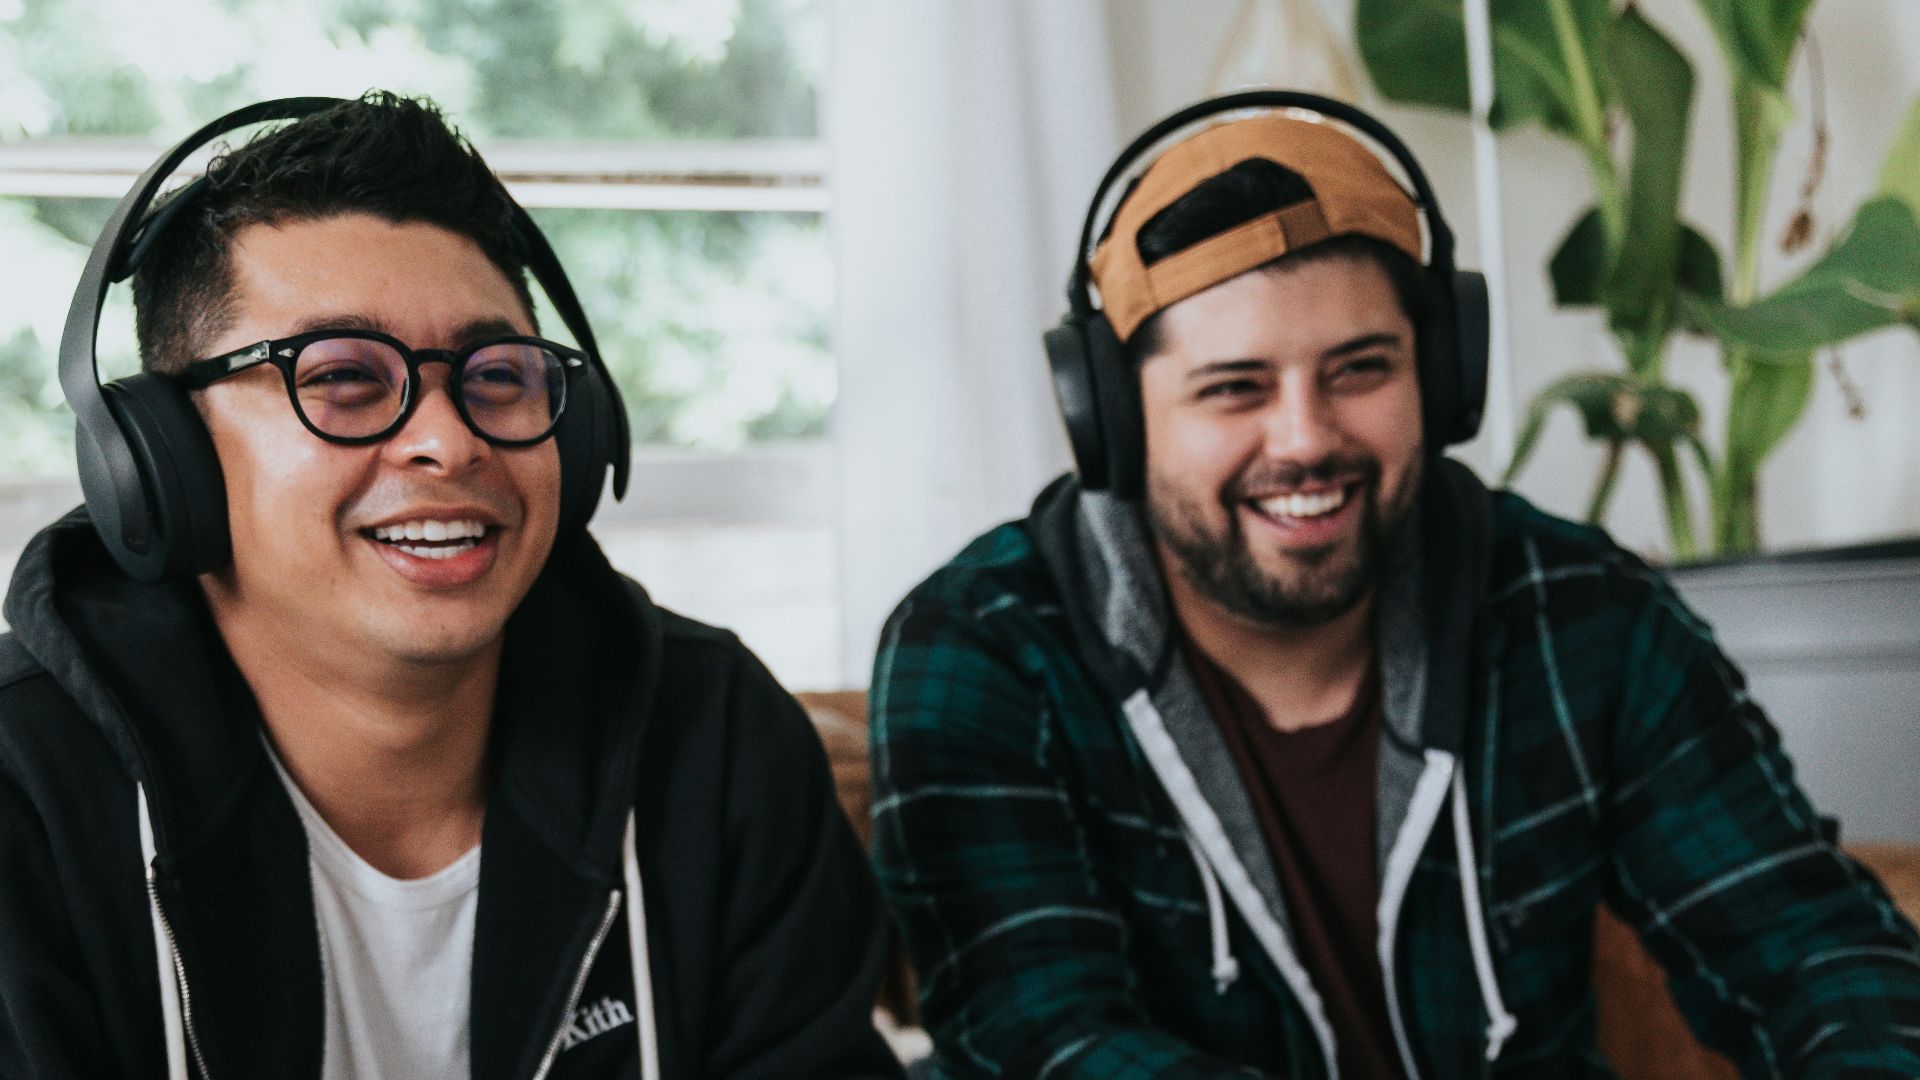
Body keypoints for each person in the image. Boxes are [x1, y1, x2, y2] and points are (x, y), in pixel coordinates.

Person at [868, 92, 1920, 1078]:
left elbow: (1809, 944)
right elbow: (1047, 1042)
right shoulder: (983, 650)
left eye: (1360, 368)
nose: (1308, 439)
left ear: (1443, 375)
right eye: (1235, 389)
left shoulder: (1582, 613)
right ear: (1116, 420)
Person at [0, 93, 899, 1079]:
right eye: (343, 376)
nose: (450, 439)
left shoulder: (716, 738)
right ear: (160, 460)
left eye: (497, 374)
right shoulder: (25, 795)